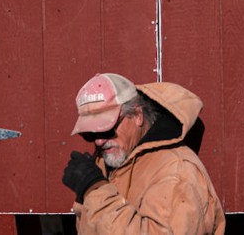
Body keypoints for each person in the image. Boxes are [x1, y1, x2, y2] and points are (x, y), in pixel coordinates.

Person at [61, 73, 226, 234]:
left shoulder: (176, 171)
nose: (99, 141)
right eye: (90, 134)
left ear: (137, 116)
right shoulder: (108, 163)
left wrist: (95, 188)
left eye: (106, 129)